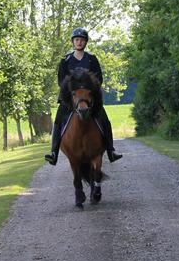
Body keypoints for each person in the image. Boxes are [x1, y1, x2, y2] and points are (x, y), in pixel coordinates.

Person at [44, 27, 123, 165]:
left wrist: (88, 90)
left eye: (82, 40)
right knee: (58, 121)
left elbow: (99, 79)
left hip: (89, 98)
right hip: (70, 99)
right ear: (73, 42)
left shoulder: (92, 59)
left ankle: (111, 151)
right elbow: (61, 81)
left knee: (105, 120)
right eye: (77, 40)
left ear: (85, 42)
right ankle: (54, 153)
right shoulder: (65, 60)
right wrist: (73, 91)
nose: (79, 42)